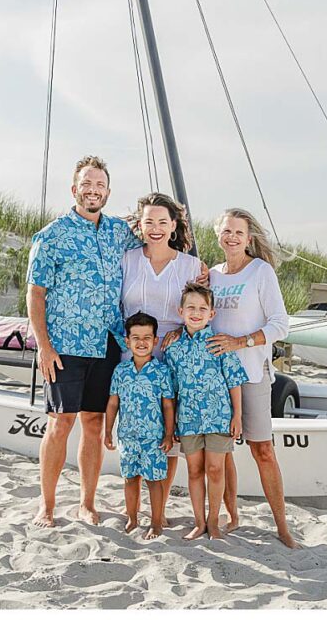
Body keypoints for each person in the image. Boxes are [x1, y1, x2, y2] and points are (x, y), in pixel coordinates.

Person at [27, 155, 141, 528]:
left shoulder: (117, 232)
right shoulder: (51, 236)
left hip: (107, 341)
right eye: (86, 184)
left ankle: (87, 503)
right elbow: (35, 294)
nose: (93, 190)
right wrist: (43, 345)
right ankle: (46, 505)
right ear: (74, 189)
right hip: (64, 344)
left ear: (107, 192)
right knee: (60, 422)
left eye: (100, 185)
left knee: (93, 423)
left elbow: (159, 236)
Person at [206, 208, 297, 548]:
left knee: (263, 451)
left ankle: (282, 527)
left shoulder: (261, 272)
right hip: (215, 377)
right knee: (223, 452)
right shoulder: (212, 275)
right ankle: (232, 517)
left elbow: (280, 325)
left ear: (249, 238)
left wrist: (240, 342)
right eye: (226, 231)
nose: (231, 237)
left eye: (238, 233)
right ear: (219, 233)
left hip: (251, 371)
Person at [119, 192, 208, 524]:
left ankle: (160, 506)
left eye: (162, 222)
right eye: (148, 222)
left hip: (172, 361)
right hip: (132, 358)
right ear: (140, 225)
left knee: (165, 436)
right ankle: (133, 509)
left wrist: (179, 334)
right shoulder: (126, 259)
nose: (155, 228)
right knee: (135, 431)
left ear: (174, 225)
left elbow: (200, 312)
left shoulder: (191, 266)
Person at [164, 283, 247, 540]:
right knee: (194, 471)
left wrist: (237, 415)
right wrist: (173, 425)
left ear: (212, 314)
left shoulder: (219, 343)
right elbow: (172, 390)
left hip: (219, 416)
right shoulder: (173, 348)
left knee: (215, 470)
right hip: (188, 419)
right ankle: (198, 522)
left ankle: (214, 523)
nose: (196, 313)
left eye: (202, 308)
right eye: (191, 308)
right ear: (181, 311)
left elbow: (234, 380)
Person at [103, 312, 175, 539]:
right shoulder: (120, 371)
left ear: (155, 341)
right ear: (128, 341)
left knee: (154, 480)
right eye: (136, 337)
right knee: (130, 478)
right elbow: (113, 403)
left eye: (147, 337)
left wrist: (168, 434)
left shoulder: (162, 371)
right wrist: (108, 431)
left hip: (154, 436)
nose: (141, 342)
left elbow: (168, 406)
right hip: (127, 436)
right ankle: (132, 518)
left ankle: (156, 522)